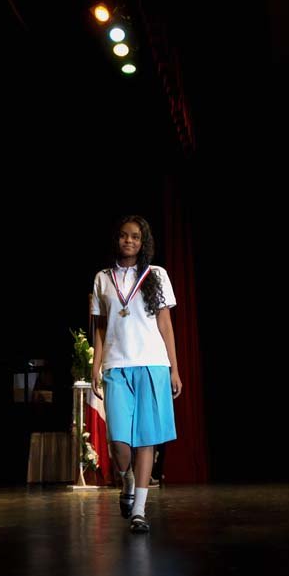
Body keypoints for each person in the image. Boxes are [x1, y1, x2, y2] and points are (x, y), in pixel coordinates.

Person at [90, 215, 182, 533]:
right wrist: (95, 366)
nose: (128, 241)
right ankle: (126, 478)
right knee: (119, 443)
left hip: (152, 363)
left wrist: (174, 368)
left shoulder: (157, 275)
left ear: (143, 243)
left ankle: (140, 510)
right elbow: (100, 328)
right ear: (116, 239)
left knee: (146, 439)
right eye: (123, 235)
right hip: (116, 365)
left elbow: (165, 324)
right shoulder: (103, 278)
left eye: (135, 237)